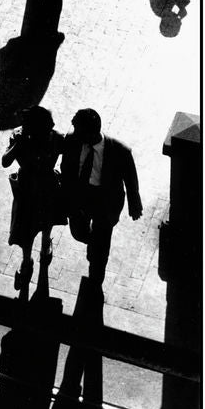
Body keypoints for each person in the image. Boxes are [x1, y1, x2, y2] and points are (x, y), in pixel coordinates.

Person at [59, 109, 143, 285]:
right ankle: (93, 243)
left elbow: (130, 178)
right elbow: (66, 165)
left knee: (101, 246)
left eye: (78, 129)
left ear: (90, 133)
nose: (74, 131)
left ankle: (96, 279)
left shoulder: (120, 151)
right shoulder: (72, 139)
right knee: (78, 232)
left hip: (105, 201)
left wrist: (134, 204)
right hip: (80, 196)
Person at [1, 106, 66, 291]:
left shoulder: (55, 137)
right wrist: (18, 144)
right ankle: (28, 260)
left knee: (45, 221)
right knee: (27, 228)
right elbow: (5, 161)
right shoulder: (21, 136)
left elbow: (68, 157)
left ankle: (43, 247)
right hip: (30, 186)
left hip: (44, 185)